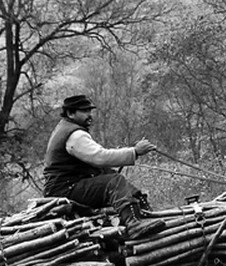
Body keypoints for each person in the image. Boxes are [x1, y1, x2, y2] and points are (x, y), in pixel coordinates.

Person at [42, 94, 156, 224]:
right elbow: (100, 158)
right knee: (114, 181)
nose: (89, 115)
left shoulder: (66, 128)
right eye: (84, 111)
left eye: (90, 111)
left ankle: (141, 206)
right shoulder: (75, 135)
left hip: (66, 187)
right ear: (70, 113)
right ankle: (134, 223)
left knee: (108, 173)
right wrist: (134, 152)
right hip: (65, 190)